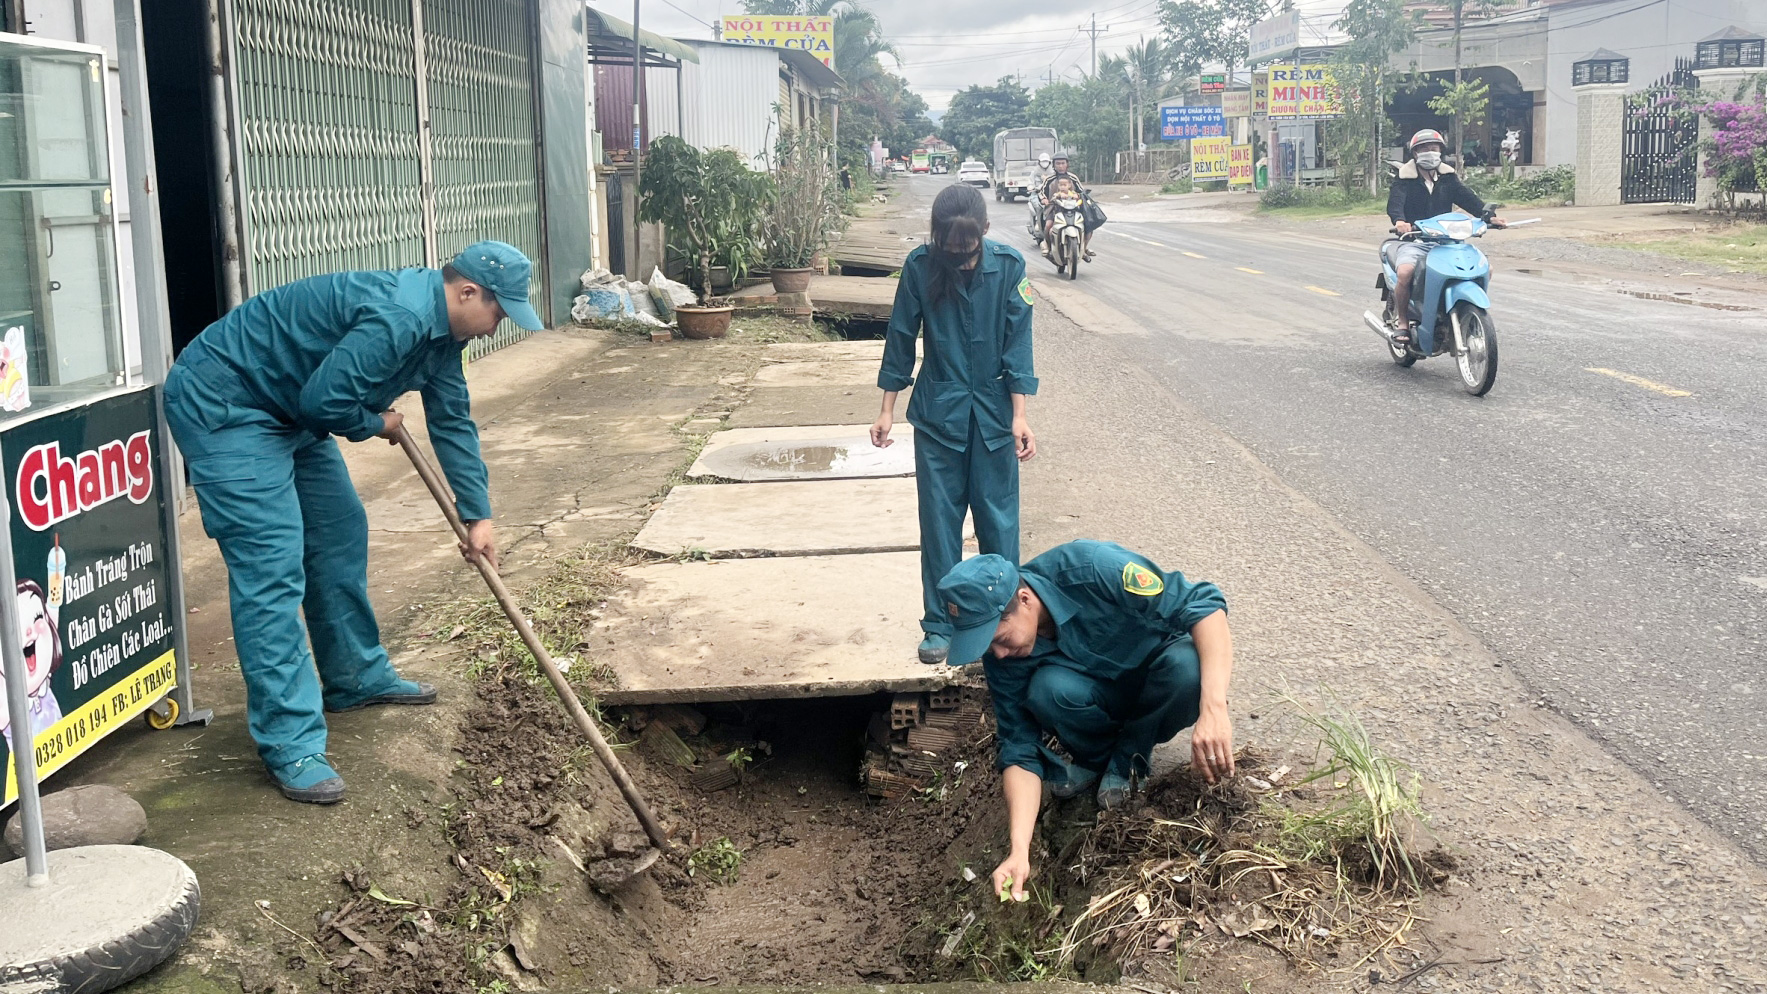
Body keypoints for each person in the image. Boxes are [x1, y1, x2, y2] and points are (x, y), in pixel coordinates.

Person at [164, 241, 544, 804]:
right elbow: (325, 403)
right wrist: (375, 421)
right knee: (272, 565)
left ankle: (354, 677)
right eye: (497, 312)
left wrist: (478, 513)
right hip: (226, 403)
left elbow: (452, 418)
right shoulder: (401, 316)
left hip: (289, 405)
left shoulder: (444, 333)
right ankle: (291, 742)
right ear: (466, 292)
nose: (496, 327)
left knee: (339, 530)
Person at [936, 541, 1235, 900]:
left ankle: (1127, 759)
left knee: (1189, 670)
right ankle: (1098, 761)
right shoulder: (1002, 657)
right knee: (1048, 690)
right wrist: (1019, 850)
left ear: (1025, 600)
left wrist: (1214, 709)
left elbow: (1204, 605)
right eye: (988, 648)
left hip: (1159, 683)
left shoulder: (1092, 569)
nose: (998, 654)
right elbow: (1018, 748)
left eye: (1000, 638)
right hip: (1095, 696)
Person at [872, 184, 1037, 666]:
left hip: (992, 417)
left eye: (969, 252)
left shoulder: (1009, 268)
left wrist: (1020, 416)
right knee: (939, 526)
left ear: (985, 233)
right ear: (937, 238)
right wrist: (886, 408)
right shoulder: (920, 268)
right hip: (938, 418)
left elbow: (1018, 346)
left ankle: (1002, 617)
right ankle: (940, 622)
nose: (962, 261)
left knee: (999, 524)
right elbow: (900, 336)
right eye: (952, 251)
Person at [1384, 129, 1506, 344]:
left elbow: (1468, 198)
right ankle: (1403, 322)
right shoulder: (1405, 179)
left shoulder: (1448, 178)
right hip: (1416, 241)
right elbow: (1396, 203)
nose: (1429, 152)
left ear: (1441, 150)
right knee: (1405, 272)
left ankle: (1461, 312)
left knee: (1487, 268)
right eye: (1423, 149)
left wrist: (1490, 217)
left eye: (1433, 148)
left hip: (1447, 242)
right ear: (1414, 153)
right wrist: (1399, 222)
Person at [1039, 152, 1099, 261]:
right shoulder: (1049, 179)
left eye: (1063, 163)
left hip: (1074, 208)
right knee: (1048, 226)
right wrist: (1044, 199)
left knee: (1089, 227)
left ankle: (1084, 249)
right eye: (1058, 163)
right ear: (1054, 165)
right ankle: (1047, 245)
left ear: (1067, 164)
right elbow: (1041, 192)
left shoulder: (1073, 178)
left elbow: (1082, 192)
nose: (1060, 166)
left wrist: (1079, 196)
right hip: (1054, 208)